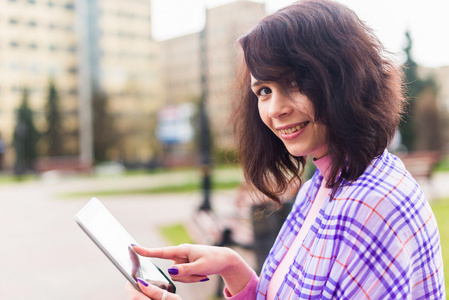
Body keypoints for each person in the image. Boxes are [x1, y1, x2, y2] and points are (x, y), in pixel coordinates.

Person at [126, 0, 446, 299]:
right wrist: (235, 270)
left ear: (344, 78)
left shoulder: (372, 208)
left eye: (294, 83)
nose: (275, 109)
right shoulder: (323, 185)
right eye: (264, 91)